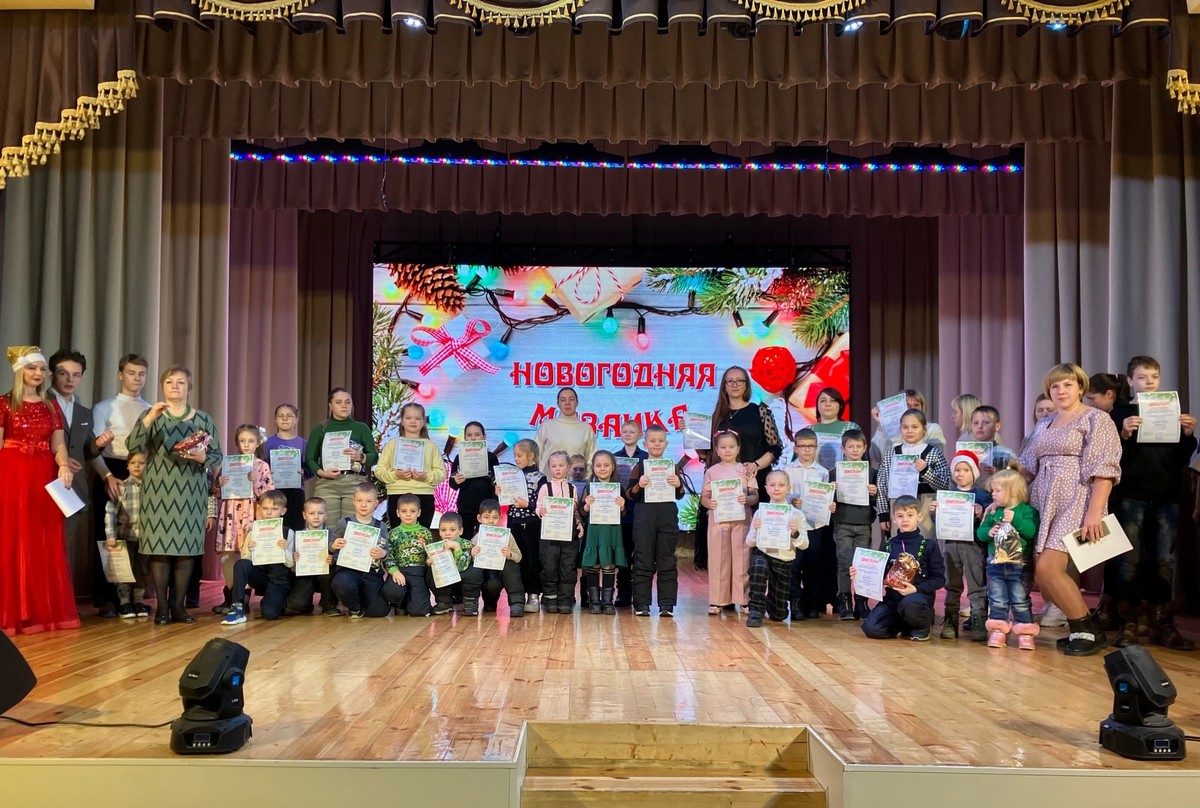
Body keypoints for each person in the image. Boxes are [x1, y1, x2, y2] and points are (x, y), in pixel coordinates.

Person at [1015, 363, 1122, 656]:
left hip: (1076, 499)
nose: (1061, 391)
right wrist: (1003, 498)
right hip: (1043, 500)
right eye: (1055, 386)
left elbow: (1104, 470)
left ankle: (1086, 630)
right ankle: (1086, 629)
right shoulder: (1043, 424)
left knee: (1049, 569)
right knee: (1041, 575)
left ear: (1080, 388)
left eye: (1067, 385)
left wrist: (1094, 512)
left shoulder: (1096, 419)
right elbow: (1027, 469)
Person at [1108, 355, 1197, 651]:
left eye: (1154, 377)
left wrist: (1188, 436)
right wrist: (1123, 435)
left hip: (1167, 495)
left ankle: (1162, 623)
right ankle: (1129, 622)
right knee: (1129, 559)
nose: (1149, 382)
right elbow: (1111, 458)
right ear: (1130, 381)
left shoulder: (1172, 410)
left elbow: (1181, 458)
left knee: (1163, 560)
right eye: (1142, 377)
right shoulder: (1119, 414)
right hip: (1131, 495)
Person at [127, 365, 222, 626]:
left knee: (186, 551)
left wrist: (203, 458)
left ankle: (179, 606)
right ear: (162, 386)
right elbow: (132, 445)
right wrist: (149, 418)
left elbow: (217, 454)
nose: (175, 386)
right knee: (159, 550)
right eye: (170, 382)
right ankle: (162, 608)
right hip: (158, 492)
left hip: (191, 492)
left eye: (181, 382)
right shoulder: (152, 415)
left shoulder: (202, 418)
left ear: (189, 387)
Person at [0, 346, 81, 636]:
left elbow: (58, 444)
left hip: (43, 474)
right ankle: (12, 612)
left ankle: (39, 610)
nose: (38, 373)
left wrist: (63, 466)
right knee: (13, 537)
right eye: (31, 367)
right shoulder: (4, 403)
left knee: (43, 539)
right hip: (12, 473)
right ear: (19, 370)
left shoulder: (51, 406)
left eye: (42, 369)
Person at [699, 366, 784, 573]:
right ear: (724, 386)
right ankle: (723, 591)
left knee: (749, 547)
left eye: (740, 380)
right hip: (722, 489)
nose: (735, 384)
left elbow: (775, 448)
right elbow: (705, 454)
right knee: (722, 551)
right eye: (730, 381)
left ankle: (748, 590)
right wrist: (691, 435)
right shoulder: (717, 416)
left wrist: (755, 465)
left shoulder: (760, 411)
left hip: (753, 484)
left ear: (746, 385)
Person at [90, 353, 150, 618]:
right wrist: (106, 476)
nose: (137, 378)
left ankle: (134, 597)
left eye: (141, 374)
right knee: (107, 535)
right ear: (120, 375)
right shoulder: (104, 407)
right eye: (131, 373)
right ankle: (106, 598)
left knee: (138, 538)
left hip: (141, 471)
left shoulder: (149, 409)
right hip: (110, 469)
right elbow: (93, 448)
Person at [855, 495, 947, 641]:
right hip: (893, 599)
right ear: (894, 519)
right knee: (872, 629)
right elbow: (879, 575)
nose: (905, 520)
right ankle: (903, 623)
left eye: (910, 515)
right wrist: (859, 574)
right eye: (900, 516)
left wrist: (916, 589)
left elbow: (939, 579)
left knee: (909, 604)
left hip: (917, 597)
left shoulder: (929, 545)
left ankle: (921, 626)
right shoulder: (888, 545)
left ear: (919, 517)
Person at [212, 424, 275, 614]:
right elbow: (216, 493)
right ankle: (230, 595)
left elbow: (269, 496)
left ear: (258, 443)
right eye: (242, 441)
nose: (246, 445)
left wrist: (256, 482)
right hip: (229, 513)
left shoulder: (262, 466)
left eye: (251, 441)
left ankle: (243, 597)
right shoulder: (229, 463)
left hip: (250, 513)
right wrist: (219, 484)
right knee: (227, 554)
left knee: (246, 554)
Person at [48, 349, 97, 594]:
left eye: (76, 375)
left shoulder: (84, 412)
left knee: (65, 547)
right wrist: (61, 460)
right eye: (63, 373)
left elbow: (86, 451)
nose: (70, 380)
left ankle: (61, 601)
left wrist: (99, 445)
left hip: (73, 489)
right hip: (43, 483)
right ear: (51, 374)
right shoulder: (40, 403)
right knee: (41, 546)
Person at [930, 449, 991, 641]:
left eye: (966, 470)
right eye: (957, 470)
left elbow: (989, 520)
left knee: (976, 584)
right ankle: (950, 621)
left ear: (974, 473)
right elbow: (939, 522)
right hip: (951, 545)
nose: (961, 474)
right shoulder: (946, 495)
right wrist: (934, 512)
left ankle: (978, 619)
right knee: (952, 584)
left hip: (973, 546)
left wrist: (981, 512)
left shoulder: (982, 495)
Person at [626, 424, 686, 617]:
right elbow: (629, 495)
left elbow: (680, 495)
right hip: (644, 517)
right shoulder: (640, 467)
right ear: (645, 444)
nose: (657, 444)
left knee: (667, 559)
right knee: (642, 558)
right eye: (652, 441)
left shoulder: (672, 467)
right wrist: (639, 485)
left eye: (660, 441)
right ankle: (642, 603)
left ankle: (667, 604)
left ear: (666, 444)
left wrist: (678, 484)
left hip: (667, 515)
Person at [978, 470, 1041, 650]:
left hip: (1019, 565)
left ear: (1013, 491)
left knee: (1020, 599)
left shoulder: (1027, 511)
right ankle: (998, 630)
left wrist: (1017, 520)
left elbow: (1031, 531)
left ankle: (1025, 632)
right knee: (997, 599)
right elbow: (981, 532)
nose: (993, 494)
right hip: (995, 564)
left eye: (997, 491)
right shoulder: (994, 512)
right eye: (993, 490)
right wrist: (988, 533)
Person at [700, 431, 757, 615]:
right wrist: (709, 503)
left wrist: (747, 499)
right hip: (718, 520)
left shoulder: (745, 470)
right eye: (723, 447)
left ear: (738, 448)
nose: (727, 450)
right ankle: (717, 600)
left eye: (731, 447)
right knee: (718, 559)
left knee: (742, 560)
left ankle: (743, 600)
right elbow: (704, 497)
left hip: (741, 519)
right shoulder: (711, 471)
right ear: (717, 450)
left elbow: (755, 495)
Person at [745, 470, 809, 628]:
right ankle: (756, 609)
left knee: (779, 615)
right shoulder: (760, 512)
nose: (777, 488)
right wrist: (756, 529)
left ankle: (770, 601)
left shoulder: (797, 514)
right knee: (759, 565)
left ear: (788, 488)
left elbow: (805, 544)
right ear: (766, 488)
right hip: (763, 554)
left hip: (784, 561)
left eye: (781, 485)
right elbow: (749, 543)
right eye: (772, 485)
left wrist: (795, 533)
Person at [220, 490, 296, 625]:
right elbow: (245, 562)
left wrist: (284, 550)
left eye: (274, 509)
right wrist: (250, 551)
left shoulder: (288, 532)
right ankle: (237, 606)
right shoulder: (254, 532)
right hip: (260, 576)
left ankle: (276, 601)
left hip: (278, 580)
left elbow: (292, 564)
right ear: (259, 509)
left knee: (270, 614)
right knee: (241, 564)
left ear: (283, 511)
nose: (269, 513)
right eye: (265, 508)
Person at [306, 387, 378, 528]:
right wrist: (322, 473)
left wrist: (361, 457)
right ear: (330, 405)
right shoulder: (320, 428)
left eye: (347, 402)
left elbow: (374, 457)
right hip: (327, 484)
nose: (344, 406)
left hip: (354, 482)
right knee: (327, 528)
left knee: (352, 528)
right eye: (338, 402)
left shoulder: (361, 428)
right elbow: (310, 459)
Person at [875, 409, 951, 538]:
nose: (909, 431)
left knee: (924, 542)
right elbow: (882, 483)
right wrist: (883, 514)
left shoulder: (934, 452)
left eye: (915, 427)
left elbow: (945, 484)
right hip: (898, 505)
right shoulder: (892, 452)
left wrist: (926, 471)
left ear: (924, 429)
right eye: (905, 427)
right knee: (900, 544)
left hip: (925, 505)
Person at [828, 428, 878, 620]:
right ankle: (845, 601)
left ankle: (861, 601)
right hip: (842, 523)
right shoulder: (834, 473)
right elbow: (828, 503)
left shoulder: (871, 473)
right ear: (843, 449)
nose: (855, 450)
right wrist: (832, 493)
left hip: (864, 524)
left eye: (859, 446)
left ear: (865, 448)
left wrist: (874, 493)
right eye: (851, 446)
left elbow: (877, 501)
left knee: (862, 564)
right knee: (844, 562)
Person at [375, 401, 444, 529]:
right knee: (398, 535)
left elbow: (441, 473)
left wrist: (425, 476)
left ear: (423, 422)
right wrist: (396, 474)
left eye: (417, 418)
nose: (413, 421)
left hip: (424, 495)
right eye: (408, 418)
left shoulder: (431, 446)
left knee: (421, 536)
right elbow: (379, 471)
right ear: (402, 421)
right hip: (397, 494)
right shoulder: (392, 444)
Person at [785, 428, 831, 620]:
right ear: (795, 448)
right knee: (794, 566)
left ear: (816, 448)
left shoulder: (823, 472)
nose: (806, 450)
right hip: (794, 525)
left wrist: (830, 505)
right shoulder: (787, 470)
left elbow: (826, 498)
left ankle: (811, 605)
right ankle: (795, 605)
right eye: (802, 446)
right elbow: (782, 494)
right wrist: (791, 500)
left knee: (813, 566)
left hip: (814, 526)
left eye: (810, 446)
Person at [328, 482, 389, 618]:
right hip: (348, 569)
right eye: (360, 500)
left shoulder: (381, 526)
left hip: (371, 572)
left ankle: (363, 598)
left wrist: (382, 553)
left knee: (379, 612)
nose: (363, 505)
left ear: (376, 503)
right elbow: (331, 544)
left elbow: (386, 550)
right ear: (354, 501)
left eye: (368, 501)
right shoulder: (344, 522)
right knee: (342, 583)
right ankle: (355, 608)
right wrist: (334, 545)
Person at [536, 450, 583, 613]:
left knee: (568, 567)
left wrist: (579, 523)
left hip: (568, 535)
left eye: (561, 465)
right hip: (549, 535)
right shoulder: (545, 487)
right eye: (554, 466)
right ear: (549, 468)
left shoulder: (572, 488)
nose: (557, 469)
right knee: (549, 567)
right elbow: (538, 506)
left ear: (568, 467)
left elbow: (575, 509)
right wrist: (540, 511)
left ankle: (565, 599)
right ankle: (550, 598)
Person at [103, 449, 149, 618]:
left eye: (142, 463)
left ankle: (138, 601)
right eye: (133, 463)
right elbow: (110, 512)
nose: (137, 466)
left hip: (146, 539)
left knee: (142, 571)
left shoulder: (151, 488)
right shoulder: (121, 487)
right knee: (124, 571)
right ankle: (124, 603)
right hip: (125, 536)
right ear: (127, 466)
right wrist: (111, 535)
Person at [581, 450, 628, 615]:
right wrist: (587, 505)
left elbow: (624, 514)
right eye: (598, 465)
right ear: (593, 468)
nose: (602, 468)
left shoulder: (618, 489)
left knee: (609, 565)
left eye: (606, 465)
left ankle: (607, 602)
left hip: (611, 531)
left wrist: (622, 506)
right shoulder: (589, 488)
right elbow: (582, 512)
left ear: (613, 467)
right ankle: (594, 601)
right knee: (593, 565)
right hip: (594, 531)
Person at [505, 439, 545, 609]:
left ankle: (533, 595)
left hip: (532, 524)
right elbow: (506, 500)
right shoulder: (512, 475)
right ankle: (517, 596)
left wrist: (527, 505)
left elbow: (543, 504)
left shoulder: (540, 478)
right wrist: (500, 491)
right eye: (514, 455)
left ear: (531, 456)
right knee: (516, 559)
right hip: (514, 522)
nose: (516, 459)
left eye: (519, 455)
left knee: (531, 559)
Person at [380, 493, 433, 617]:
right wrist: (395, 571)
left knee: (419, 611)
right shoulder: (393, 533)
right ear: (398, 513)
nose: (408, 514)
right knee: (392, 591)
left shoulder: (425, 533)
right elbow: (389, 556)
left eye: (412, 511)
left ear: (419, 512)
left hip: (418, 573)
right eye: (404, 511)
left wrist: (429, 560)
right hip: (400, 571)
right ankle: (400, 604)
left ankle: (412, 599)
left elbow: (430, 552)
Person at [612, 420, 647, 607]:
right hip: (622, 513)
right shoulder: (614, 458)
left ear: (640, 435)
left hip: (642, 512)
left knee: (641, 555)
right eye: (624, 431)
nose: (628, 434)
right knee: (623, 554)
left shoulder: (647, 458)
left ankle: (640, 593)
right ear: (620, 434)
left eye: (632, 431)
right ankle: (623, 592)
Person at [448, 421, 500, 543]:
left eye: (477, 434)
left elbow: (497, 481)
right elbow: (452, 484)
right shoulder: (459, 457)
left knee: (486, 540)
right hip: (466, 506)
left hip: (487, 507)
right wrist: (456, 480)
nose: (473, 438)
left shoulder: (492, 457)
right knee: (465, 539)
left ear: (484, 437)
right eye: (469, 435)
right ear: (465, 438)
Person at [471, 499, 524, 617]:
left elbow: (519, 556)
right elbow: (468, 559)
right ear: (479, 518)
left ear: (500, 518)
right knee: (490, 583)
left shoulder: (506, 535)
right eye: (486, 517)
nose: (491, 521)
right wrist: (473, 554)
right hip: (487, 573)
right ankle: (490, 601)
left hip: (503, 571)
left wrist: (510, 554)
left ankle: (517, 603)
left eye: (495, 517)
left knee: (511, 566)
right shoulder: (477, 537)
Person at [285, 496, 336, 616]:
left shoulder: (333, 535)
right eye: (311, 513)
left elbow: (340, 557)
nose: (316, 517)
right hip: (305, 575)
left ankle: (328, 604)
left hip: (326, 576)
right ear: (304, 515)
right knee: (296, 604)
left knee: (330, 573)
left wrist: (333, 560)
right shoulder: (297, 537)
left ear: (326, 515)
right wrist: (294, 560)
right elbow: (291, 566)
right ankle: (306, 605)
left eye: (320, 513)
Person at [869, 389, 947, 467]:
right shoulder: (888, 430)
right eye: (907, 405)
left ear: (922, 408)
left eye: (916, 405)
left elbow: (935, 456)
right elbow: (876, 457)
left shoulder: (932, 429)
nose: (912, 408)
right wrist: (881, 425)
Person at [264, 404, 308, 534]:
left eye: (289, 416)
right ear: (275, 419)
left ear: (296, 419)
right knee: (274, 530)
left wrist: (304, 472)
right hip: (273, 491)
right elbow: (261, 466)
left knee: (296, 529)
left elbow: (310, 469)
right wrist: (268, 473)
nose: (284, 419)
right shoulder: (267, 443)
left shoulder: (303, 443)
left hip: (296, 492)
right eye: (280, 416)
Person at [535, 387, 596, 476]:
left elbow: (591, 458)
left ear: (577, 403)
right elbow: (536, 455)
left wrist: (585, 479)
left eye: (571, 399)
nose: (567, 403)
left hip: (576, 482)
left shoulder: (586, 428)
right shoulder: (546, 426)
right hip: (548, 481)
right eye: (563, 400)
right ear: (558, 404)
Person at [428, 511, 480, 616]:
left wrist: (457, 548)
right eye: (443, 530)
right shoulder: (436, 547)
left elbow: (462, 566)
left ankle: (470, 603)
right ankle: (444, 603)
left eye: (452, 530)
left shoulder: (467, 544)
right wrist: (429, 562)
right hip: (446, 584)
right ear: (439, 532)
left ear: (460, 531)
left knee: (474, 569)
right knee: (430, 571)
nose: (447, 533)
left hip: (462, 584)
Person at [810, 387, 860, 472]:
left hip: (845, 476)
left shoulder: (851, 428)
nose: (828, 404)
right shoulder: (809, 430)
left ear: (840, 405)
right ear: (817, 405)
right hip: (815, 477)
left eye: (832, 401)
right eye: (823, 401)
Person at [968, 405, 1016, 489]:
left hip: (995, 495)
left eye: (986, 422)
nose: (980, 426)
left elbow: (1016, 479)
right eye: (976, 423)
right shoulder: (964, 451)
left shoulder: (1006, 453)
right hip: (970, 495)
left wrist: (999, 473)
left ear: (997, 426)